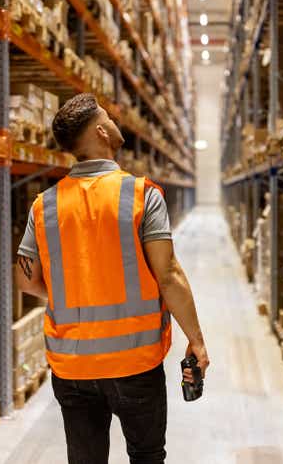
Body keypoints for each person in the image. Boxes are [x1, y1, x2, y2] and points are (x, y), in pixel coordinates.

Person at [15, 93, 210, 464]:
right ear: (102, 131)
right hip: (134, 363)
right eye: (109, 115)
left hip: (72, 366)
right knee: (146, 455)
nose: (115, 119)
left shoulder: (45, 205)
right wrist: (196, 341)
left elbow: (26, 280)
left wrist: (66, 295)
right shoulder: (141, 195)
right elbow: (168, 275)